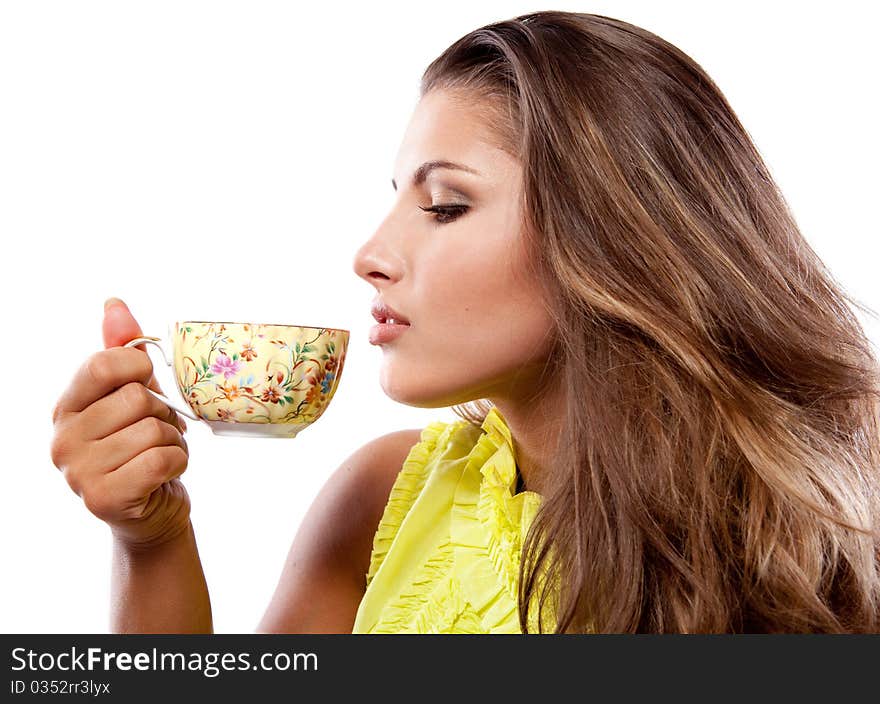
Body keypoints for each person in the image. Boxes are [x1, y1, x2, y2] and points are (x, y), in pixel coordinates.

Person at [49, 10, 880, 633]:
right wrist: (152, 539)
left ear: (616, 236)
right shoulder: (376, 502)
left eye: (445, 206)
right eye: (396, 200)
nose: (370, 253)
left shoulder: (812, 541)